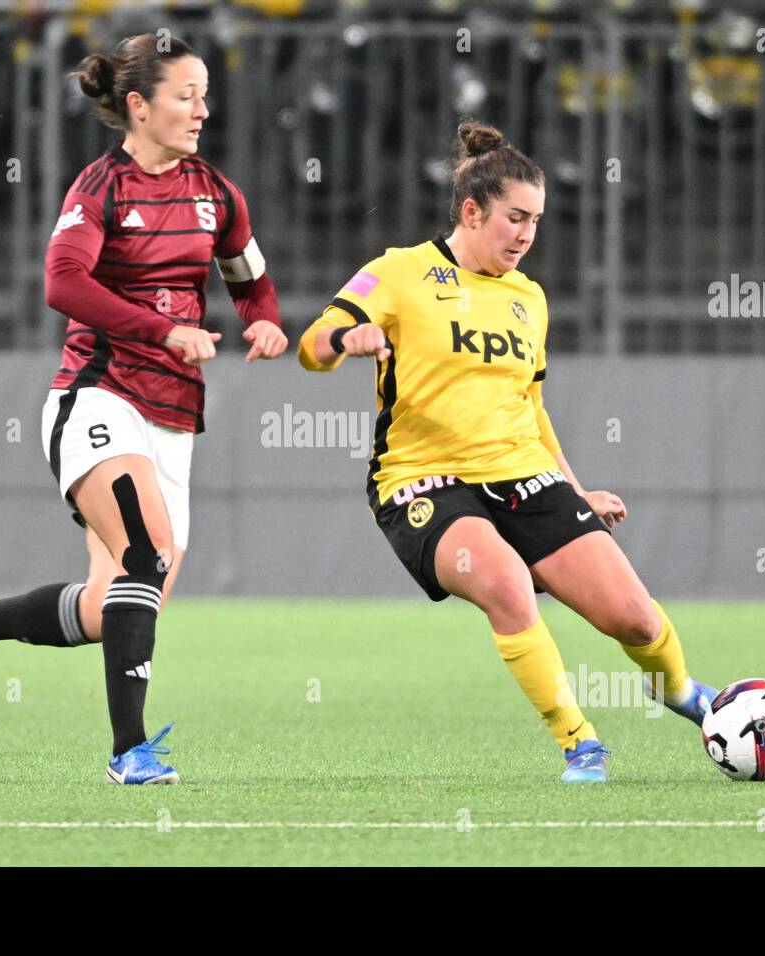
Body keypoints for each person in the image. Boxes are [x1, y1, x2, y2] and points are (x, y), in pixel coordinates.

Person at [0, 34, 287, 786]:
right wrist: (164, 329)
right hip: (97, 395)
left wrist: (266, 319)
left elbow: (249, 277)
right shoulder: (100, 188)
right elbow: (63, 284)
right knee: (145, 558)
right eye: (186, 96)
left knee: (114, 604)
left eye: (205, 95)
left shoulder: (216, 192)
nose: (202, 111)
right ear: (138, 106)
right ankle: (129, 753)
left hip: (175, 418)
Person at [297, 120, 715, 783]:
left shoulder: (529, 299)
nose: (526, 234)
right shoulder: (400, 271)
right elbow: (314, 342)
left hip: (524, 473)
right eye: (515, 217)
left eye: (536, 221)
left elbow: (533, 409)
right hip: (423, 480)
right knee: (507, 584)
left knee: (635, 622)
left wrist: (574, 493)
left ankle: (683, 693)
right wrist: (343, 342)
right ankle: (581, 743)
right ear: (471, 210)